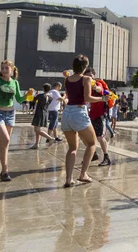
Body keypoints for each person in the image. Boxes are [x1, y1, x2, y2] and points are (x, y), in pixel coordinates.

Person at [61, 54, 109, 187]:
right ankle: (83, 174)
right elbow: (87, 98)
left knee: (72, 147)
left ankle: (68, 178)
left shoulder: (67, 80)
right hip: (79, 112)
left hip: (67, 113)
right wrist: (102, 98)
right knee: (92, 143)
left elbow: (70, 94)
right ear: (85, 67)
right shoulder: (86, 79)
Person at [84, 67, 112, 166]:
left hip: (100, 115)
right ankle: (94, 155)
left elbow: (100, 89)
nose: (89, 77)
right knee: (87, 137)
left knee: (100, 137)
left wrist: (95, 87)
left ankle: (106, 157)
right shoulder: (86, 85)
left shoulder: (97, 83)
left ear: (94, 76)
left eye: (91, 75)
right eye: (87, 76)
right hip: (91, 115)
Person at [29, 83, 55, 149]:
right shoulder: (50, 97)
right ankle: (36, 144)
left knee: (37, 130)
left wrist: (31, 94)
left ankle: (50, 138)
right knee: (38, 129)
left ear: (43, 88)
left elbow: (32, 100)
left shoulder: (40, 95)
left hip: (38, 113)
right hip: (45, 113)